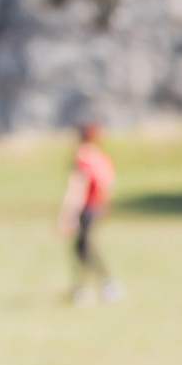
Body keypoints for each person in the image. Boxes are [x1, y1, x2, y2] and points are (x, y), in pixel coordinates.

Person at [58, 122, 120, 305]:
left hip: (84, 207)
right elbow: (109, 183)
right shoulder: (100, 157)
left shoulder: (82, 158)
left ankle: (87, 288)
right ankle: (99, 286)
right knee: (85, 246)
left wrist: (67, 213)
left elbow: (77, 186)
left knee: (83, 248)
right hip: (96, 206)